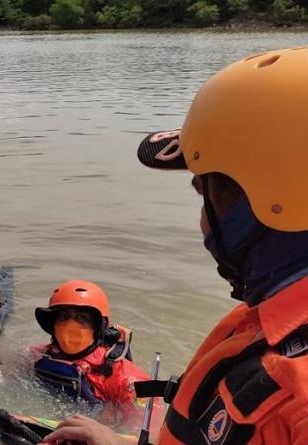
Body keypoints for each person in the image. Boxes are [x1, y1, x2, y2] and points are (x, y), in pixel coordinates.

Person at [43, 47, 308, 445]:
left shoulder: (296, 391)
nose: (202, 221)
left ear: (268, 196)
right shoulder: (265, 324)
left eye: (205, 192)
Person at [32, 280, 149, 430]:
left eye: (82, 318)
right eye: (63, 316)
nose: (70, 325)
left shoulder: (126, 379)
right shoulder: (38, 355)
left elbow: (146, 433)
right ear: (52, 324)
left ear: (99, 327)